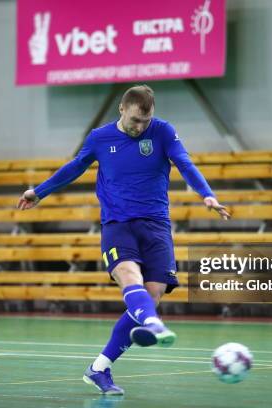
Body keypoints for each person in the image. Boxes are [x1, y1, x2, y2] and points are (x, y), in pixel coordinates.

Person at [17, 84, 230, 395]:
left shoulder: (163, 132)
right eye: (134, 120)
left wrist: (207, 195)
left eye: (145, 121)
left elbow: (185, 163)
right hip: (118, 225)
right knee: (130, 277)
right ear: (122, 110)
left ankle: (99, 368)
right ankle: (154, 325)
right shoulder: (100, 138)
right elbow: (74, 168)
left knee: (153, 295)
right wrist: (39, 192)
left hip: (156, 225)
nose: (139, 127)